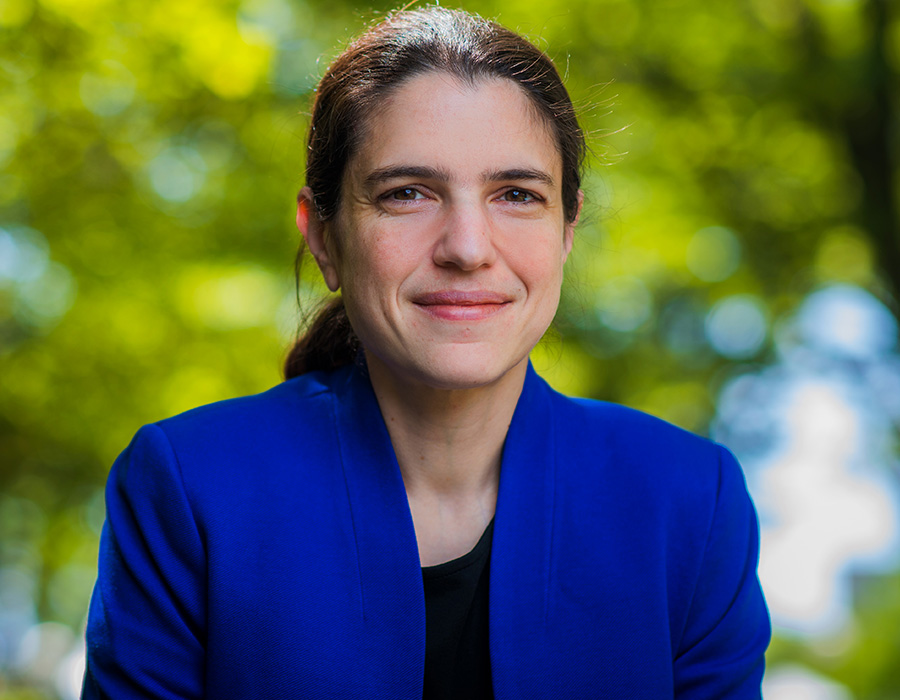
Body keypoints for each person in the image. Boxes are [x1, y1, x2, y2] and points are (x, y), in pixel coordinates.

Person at [82, 6, 770, 699]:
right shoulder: (186, 488)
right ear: (323, 235)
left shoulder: (689, 504)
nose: (467, 247)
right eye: (407, 193)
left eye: (517, 194)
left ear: (567, 230)